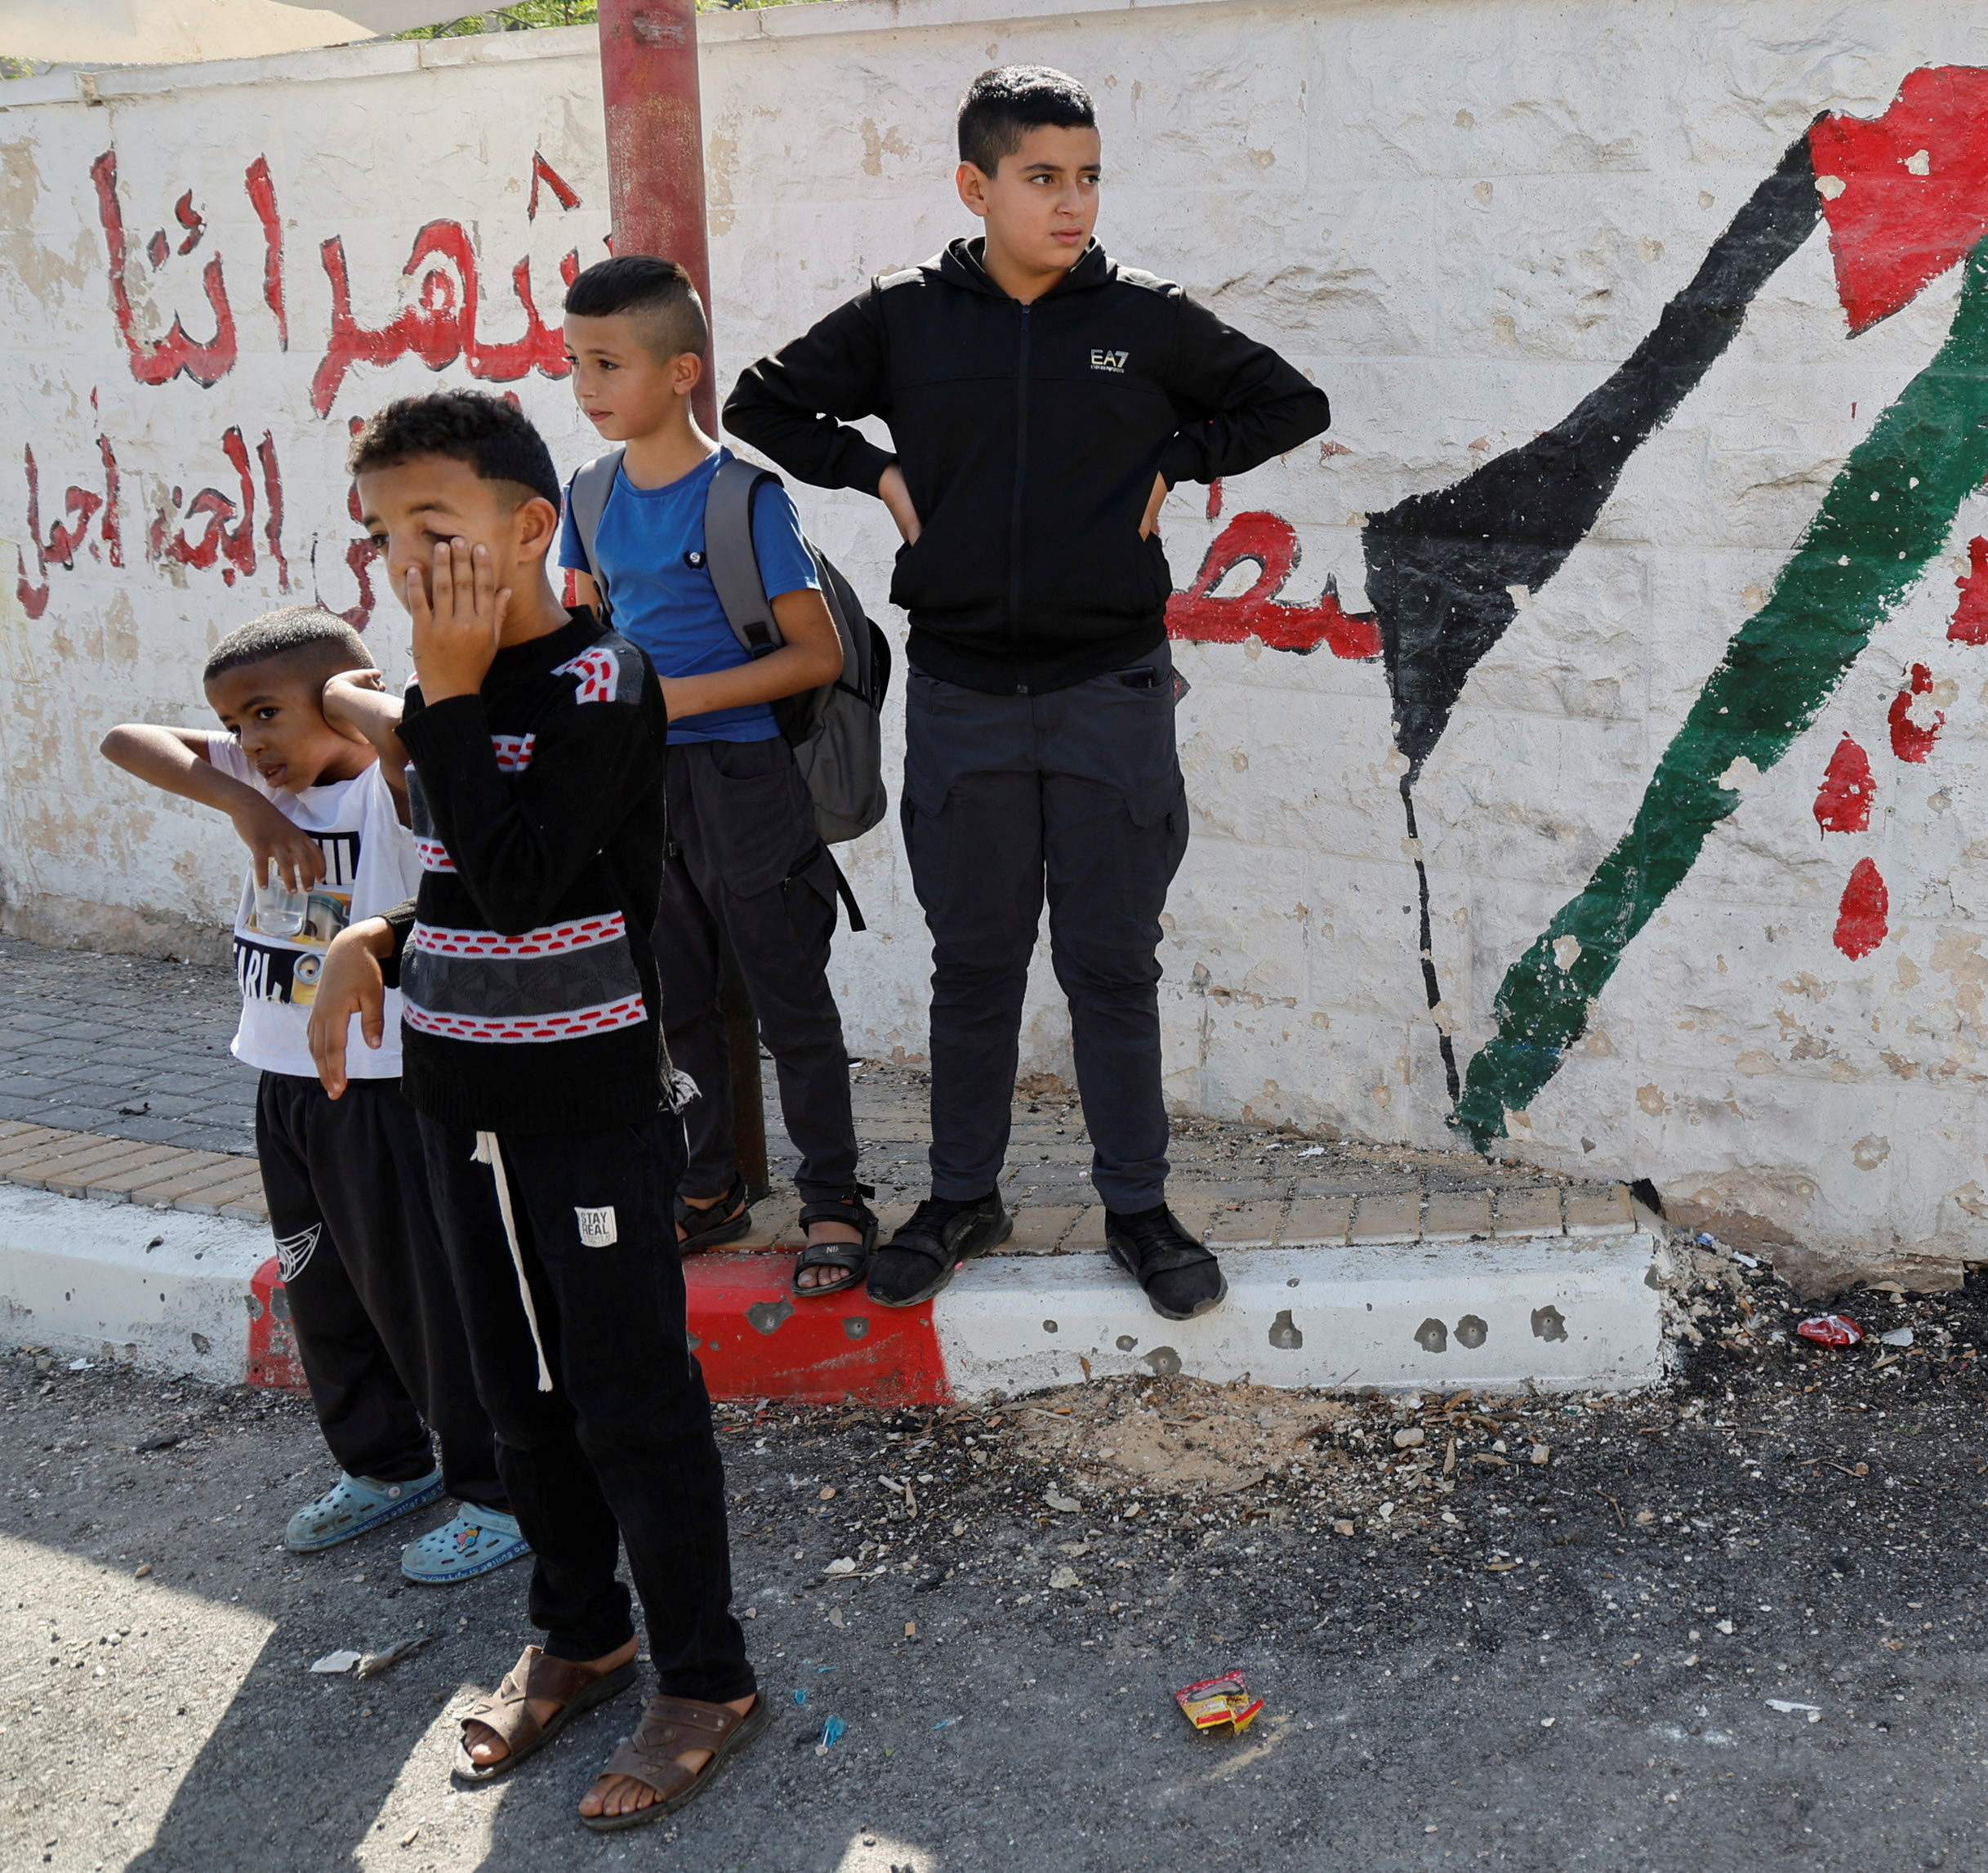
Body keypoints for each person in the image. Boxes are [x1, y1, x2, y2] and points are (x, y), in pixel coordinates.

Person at [724, 64, 1330, 1318]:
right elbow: (760, 402)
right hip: (961, 695)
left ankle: (1140, 1208)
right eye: (1044, 178)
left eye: (1090, 177)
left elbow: (1292, 401)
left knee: (1113, 965)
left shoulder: (1149, 321)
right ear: (976, 185)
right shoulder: (906, 319)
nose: (1073, 204)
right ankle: (961, 1198)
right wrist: (880, 476)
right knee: (976, 963)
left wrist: (1178, 459)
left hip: (1111, 690)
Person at [304, 390, 765, 1828]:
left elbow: (525, 880)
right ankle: (581, 1630)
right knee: (513, 1396)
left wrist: (436, 694)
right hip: (457, 1098)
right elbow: (453, 890)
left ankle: (703, 1670)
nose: (406, 562)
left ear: (528, 528)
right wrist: (363, 944)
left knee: (630, 1396)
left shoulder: (602, 686)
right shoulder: (441, 698)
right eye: (384, 536)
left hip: (585, 1108)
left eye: (435, 530)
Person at [99, 609, 525, 1585]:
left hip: (387, 1091)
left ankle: (501, 1492)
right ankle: (384, 1464)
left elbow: (405, 733)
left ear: (342, 700)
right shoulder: (258, 781)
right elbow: (126, 738)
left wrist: (343, 698)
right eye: (233, 723)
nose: (249, 741)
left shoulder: (386, 789)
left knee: (427, 1301)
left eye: (265, 715)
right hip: (286, 1082)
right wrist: (242, 802)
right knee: (323, 1289)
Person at [556, 253, 876, 1292]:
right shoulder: (587, 493)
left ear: (683, 370)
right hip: (645, 799)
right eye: (574, 362)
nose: (586, 386)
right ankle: (709, 1187)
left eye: (608, 363)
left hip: (745, 784)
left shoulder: (744, 499)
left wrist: (669, 701)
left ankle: (835, 1199)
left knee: (790, 1000)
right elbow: (590, 628)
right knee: (674, 997)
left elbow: (816, 654)